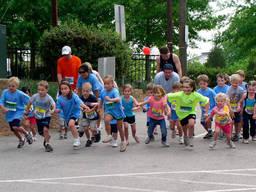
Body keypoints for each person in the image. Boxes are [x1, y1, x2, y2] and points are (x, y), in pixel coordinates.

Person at [167, 79, 209, 148]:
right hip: (181, 114)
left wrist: (206, 112)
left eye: (188, 87)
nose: (185, 89)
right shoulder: (179, 94)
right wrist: (165, 106)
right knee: (184, 127)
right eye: (184, 87)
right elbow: (167, 96)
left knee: (191, 124)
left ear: (192, 88)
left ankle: (190, 138)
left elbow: (206, 101)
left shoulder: (196, 95)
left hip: (191, 112)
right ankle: (185, 136)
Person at [0, 77, 33, 148]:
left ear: (17, 86)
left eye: (13, 86)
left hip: (18, 112)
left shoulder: (20, 94)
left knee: (15, 126)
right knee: (13, 129)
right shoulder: (5, 92)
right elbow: (1, 101)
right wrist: (3, 108)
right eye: (9, 86)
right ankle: (21, 139)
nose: (11, 88)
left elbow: (29, 101)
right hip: (9, 114)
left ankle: (27, 134)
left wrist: (28, 110)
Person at [56, 81, 89, 149]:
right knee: (71, 126)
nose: (64, 90)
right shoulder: (59, 99)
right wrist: (56, 110)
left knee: (71, 124)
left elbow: (79, 102)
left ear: (69, 89)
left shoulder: (73, 96)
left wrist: (85, 106)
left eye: (65, 88)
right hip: (67, 116)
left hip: (76, 113)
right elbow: (58, 108)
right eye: (62, 89)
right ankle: (79, 133)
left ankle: (77, 140)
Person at [26, 81, 56, 152]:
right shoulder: (35, 96)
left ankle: (47, 144)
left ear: (46, 90)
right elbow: (29, 103)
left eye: (42, 90)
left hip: (46, 115)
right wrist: (27, 110)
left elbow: (53, 104)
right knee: (40, 132)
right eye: (39, 90)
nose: (40, 91)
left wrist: (53, 110)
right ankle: (47, 137)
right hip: (38, 116)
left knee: (45, 129)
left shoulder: (49, 98)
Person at [99, 75, 127, 152]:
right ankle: (109, 135)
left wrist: (110, 99)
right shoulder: (103, 91)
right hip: (109, 111)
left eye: (108, 83)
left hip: (118, 111)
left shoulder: (115, 91)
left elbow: (118, 99)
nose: (106, 85)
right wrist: (99, 107)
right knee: (106, 120)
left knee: (120, 128)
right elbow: (101, 100)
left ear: (112, 83)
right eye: (105, 83)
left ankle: (123, 142)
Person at [79, 83, 99, 147]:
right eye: (83, 91)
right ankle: (89, 139)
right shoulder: (81, 98)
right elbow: (79, 105)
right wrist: (82, 109)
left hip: (93, 116)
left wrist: (91, 110)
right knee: (85, 128)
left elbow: (97, 105)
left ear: (90, 91)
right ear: (82, 91)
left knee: (93, 129)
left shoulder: (92, 98)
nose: (85, 93)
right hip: (85, 115)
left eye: (87, 91)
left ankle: (97, 133)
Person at [197, 74, 216, 139]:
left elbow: (216, 98)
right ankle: (209, 131)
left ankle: (210, 130)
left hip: (211, 109)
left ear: (207, 83)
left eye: (204, 84)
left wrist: (217, 107)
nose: (202, 85)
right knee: (202, 122)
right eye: (201, 84)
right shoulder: (198, 92)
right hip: (203, 109)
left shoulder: (211, 91)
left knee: (208, 118)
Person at [227, 74, 244, 142]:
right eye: (233, 83)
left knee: (238, 122)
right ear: (230, 82)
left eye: (236, 83)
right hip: (230, 108)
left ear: (239, 82)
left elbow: (241, 100)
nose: (235, 84)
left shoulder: (241, 89)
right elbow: (227, 99)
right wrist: (230, 109)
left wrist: (241, 108)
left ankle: (237, 134)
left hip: (238, 108)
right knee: (231, 122)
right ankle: (230, 135)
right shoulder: (229, 89)